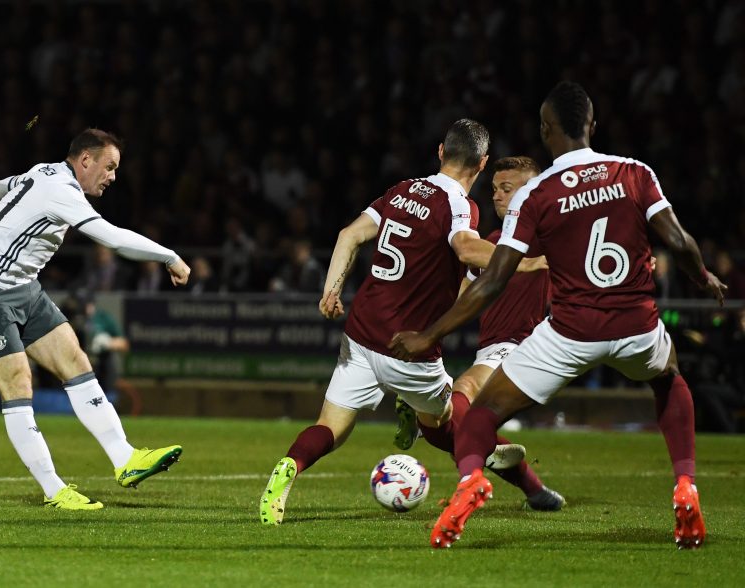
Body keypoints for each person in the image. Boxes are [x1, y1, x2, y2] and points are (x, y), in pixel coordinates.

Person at [390, 82, 727, 550]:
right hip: (637, 323)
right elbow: (681, 241)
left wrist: (428, 335)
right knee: (669, 380)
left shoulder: (538, 194)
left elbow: (491, 282)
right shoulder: (634, 172)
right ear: (592, 126)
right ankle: (686, 485)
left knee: (480, 415)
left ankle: (471, 481)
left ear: (546, 130)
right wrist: (703, 277)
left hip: (570, 332)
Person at [259, 119, 547, 525]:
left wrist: (331, 290)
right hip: (408, 347)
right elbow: (466, 249)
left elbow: (348, 234)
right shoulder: (461, 205)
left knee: (330, 428)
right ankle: (482, 452)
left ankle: (288, 468)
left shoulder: (402, 190)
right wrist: (529, 261)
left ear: (441, 152)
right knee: (446, 421)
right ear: (482, 165)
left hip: (360, 334)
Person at [0, 128, 191, 509]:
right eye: (109, 166)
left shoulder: (43, 172)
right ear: (85, 160)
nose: (113, 176)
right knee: (18, 383)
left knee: (76, 361)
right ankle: (53, 490)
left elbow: (0, 187)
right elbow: (111, 237)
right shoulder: (61, 190)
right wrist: (169, 255)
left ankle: (125, 458)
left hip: (23, 286)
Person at [392, 155, 564, 512]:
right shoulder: (494, 241)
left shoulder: (551, 237)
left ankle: (470, 484)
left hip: (526, 346)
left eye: (507, 188)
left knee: (464, 391)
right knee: (443, 429)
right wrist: (425, 331)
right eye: (495, 189)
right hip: (492, 349)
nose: (497, 196)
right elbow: (464, 296)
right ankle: (534, 490)